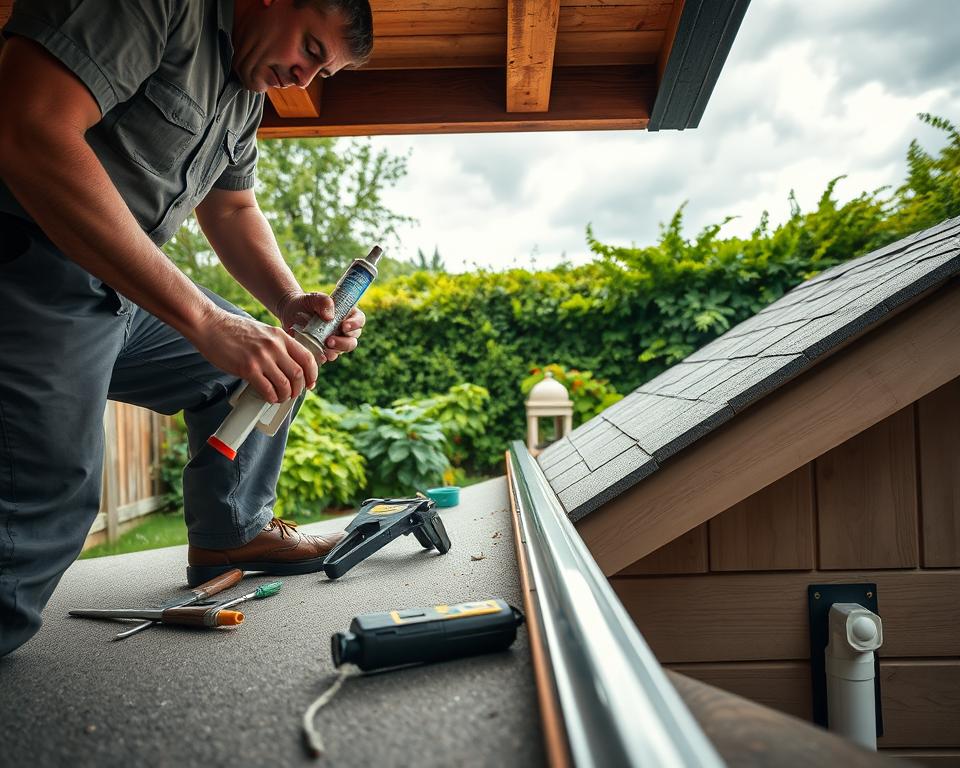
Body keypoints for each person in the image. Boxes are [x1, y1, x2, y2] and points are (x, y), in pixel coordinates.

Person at [0, 0, 374, 657]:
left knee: (264, 367)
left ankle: (229, 533)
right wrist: (204, 318)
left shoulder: (245, 92)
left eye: (325, 73)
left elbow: (231, 209)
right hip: (26, 268)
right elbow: (28, 126)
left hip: (115, 288)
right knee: (48, 492)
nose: (304, 79)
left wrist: (292, 306)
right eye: (312, 51)